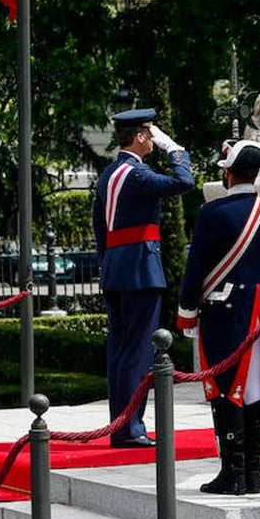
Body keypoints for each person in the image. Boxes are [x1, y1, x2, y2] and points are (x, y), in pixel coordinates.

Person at [177, 140, 260, 495]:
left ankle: (233, 473)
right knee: (258, 387)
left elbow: (195, 268)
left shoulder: (213, 213)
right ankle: (254, 472)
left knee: (226, 387)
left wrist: (187, 314)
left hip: (226, 314)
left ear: (228, 174)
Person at [93, 108, 193, 448]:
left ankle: (121, 424)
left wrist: (107, 266)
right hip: (140, 271)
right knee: (137, 352)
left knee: (120, 351)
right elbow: (184, 182)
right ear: (139, 137)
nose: (154, 139)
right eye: (151, 134)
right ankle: (130, 428)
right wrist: (175, 150)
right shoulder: (136, 175)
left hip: (116, 270)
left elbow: (99, 230)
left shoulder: (109, 174)